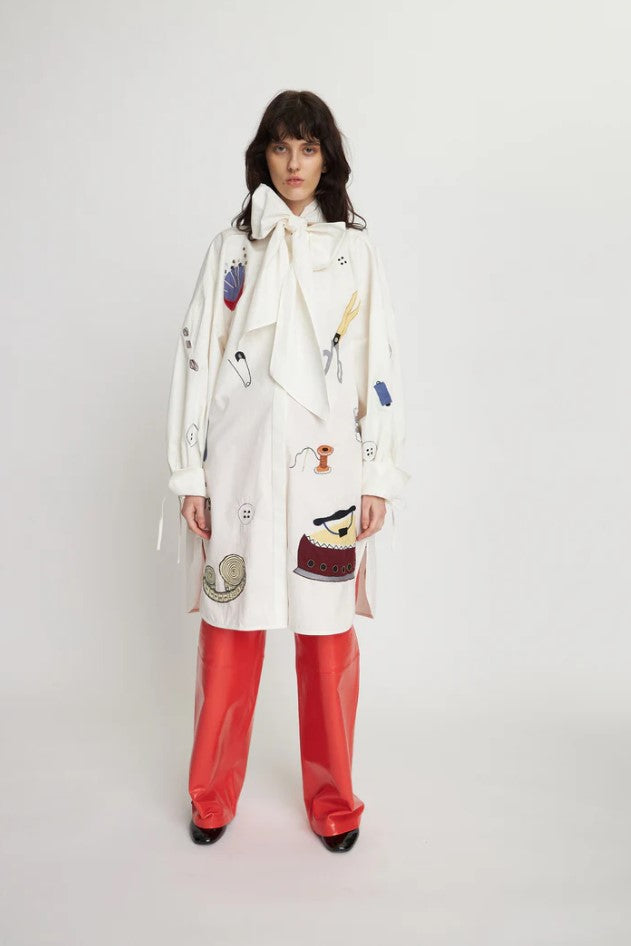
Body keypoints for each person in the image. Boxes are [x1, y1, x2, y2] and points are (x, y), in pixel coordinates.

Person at [160, 90, 411, 853]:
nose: (293, 163)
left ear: (325, 157)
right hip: (238, 469)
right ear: (261, 156)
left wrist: (377, 475)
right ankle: (210, 795)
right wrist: (191, 473)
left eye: (307, 147)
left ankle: (333, 802)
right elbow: (196, 361)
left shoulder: (355, 254)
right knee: (229, 636)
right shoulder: (230, 251)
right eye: (280, 146)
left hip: (327, 478)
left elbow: (377, 364)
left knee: (327, 641)